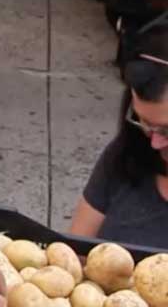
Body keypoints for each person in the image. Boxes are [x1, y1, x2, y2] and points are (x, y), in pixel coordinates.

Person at [70, 20, 168, 249]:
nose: (154, 142)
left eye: (166, 130)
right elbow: (75, 252)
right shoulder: (125, 156)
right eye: (144, 122)